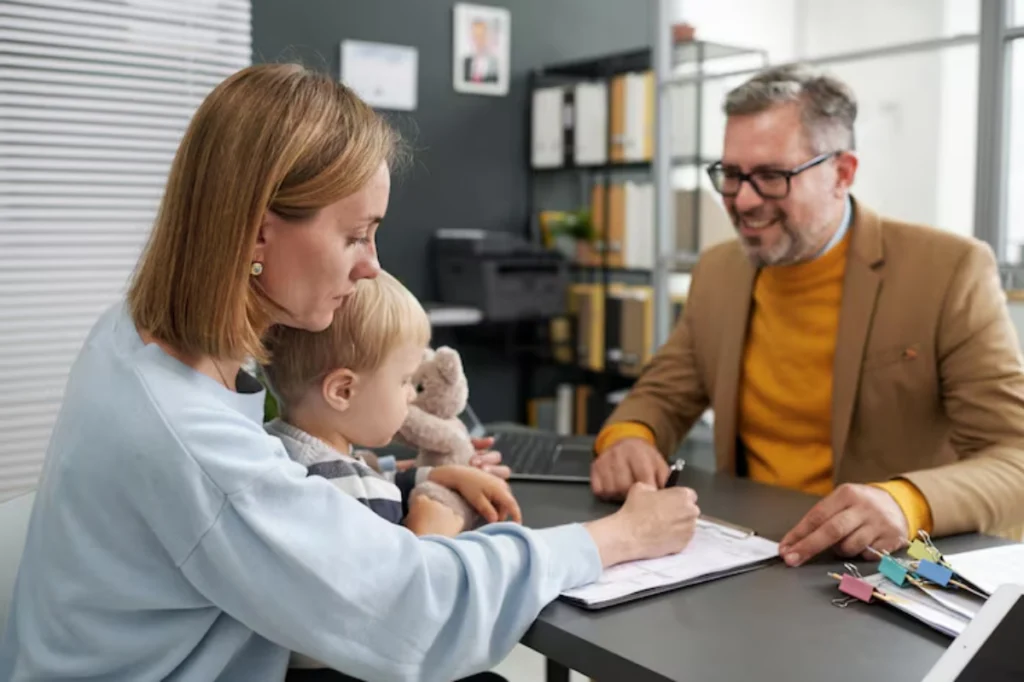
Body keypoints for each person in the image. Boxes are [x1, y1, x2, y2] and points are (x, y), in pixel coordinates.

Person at [0, 63, 701, 682]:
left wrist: (404, 480)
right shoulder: (186, 436)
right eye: (354, 235)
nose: (371, 265)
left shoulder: (136, 333)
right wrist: (618, 538)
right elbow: (415, 613)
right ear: (256, 231)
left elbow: (266, 502)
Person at [592, 64, 1024, 568]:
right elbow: (663, 393)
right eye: (731, 175)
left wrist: (906, 502)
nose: (743, 201)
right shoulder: (719, 270)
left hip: (881, 573)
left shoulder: (948, 271)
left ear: (842, 173)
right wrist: (630, 438)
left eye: (772, 177)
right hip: (745, 553)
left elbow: (1013, 457)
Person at [261, 270, 522, 676]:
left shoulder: (279, 448)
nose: (409, 398)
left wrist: (433, 478)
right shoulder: (351, 490)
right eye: (404, 381)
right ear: (343, 391)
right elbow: (404, 600)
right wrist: (435, 531)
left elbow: (375, 478)